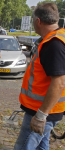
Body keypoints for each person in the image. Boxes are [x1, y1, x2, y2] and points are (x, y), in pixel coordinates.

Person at [14, 2, 65, 150]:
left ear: (38, 21)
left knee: (23, 146)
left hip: (42, 112)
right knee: (42, 146)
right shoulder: (57, 38)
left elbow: (59, 83)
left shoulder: (53, 44)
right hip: (48, 110)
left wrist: (41, 116)